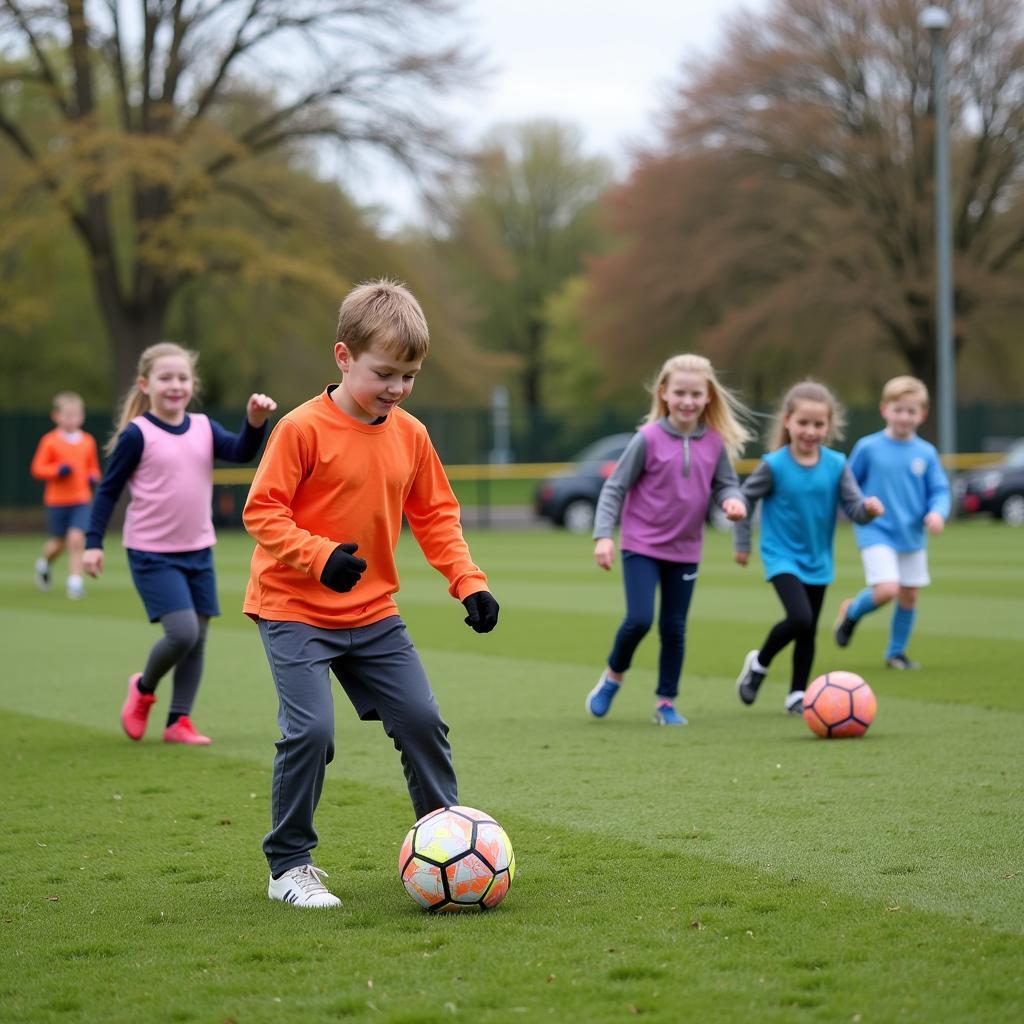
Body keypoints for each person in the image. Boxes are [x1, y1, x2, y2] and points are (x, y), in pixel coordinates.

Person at [242, 278, 500, 909]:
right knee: (311, 734)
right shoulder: (301, 429)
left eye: (409, 376)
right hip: (293, 608)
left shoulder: (409, 434)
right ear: (343, 357)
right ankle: (288, 866)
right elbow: (261, 510)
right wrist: (319, 555)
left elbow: (436, 516)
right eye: (384, 373)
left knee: (420, 721)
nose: (397, 388)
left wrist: (469, 583)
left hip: (374, 612)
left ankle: (446, 848)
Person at [83, 342, 276, 746]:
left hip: (198, 548)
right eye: (166, 378)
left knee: (198, 638)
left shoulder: (204, 427)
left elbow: (241, 451)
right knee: (183, 633)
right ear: (145, 384)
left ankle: (178, 722)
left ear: (193, 384)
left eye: (183, 378)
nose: (175, 385)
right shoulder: (138, 435)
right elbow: (108, 492)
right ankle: (144, 688)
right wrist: (92, 543)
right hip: (152, 553)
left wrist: (254, 422)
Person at [586, 353, 751, 726]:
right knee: (640, 619)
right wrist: (603, 537)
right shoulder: (647, 439)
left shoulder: (715, 442)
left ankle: (666, 702)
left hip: (686, 551)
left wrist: (733, 502)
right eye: (680, 392)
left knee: (674, 627)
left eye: (696, 393)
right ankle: (613, 677)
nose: (688, 401)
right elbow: (615, 488)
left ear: (708, 396)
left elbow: (727, 485)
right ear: (664, 393)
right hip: (641, 545)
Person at [733, 380, 884, 714]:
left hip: (818, 558)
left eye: (818, 424)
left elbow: (855, 507)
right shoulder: (773, 465)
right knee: (799, 617)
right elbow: (743, 501)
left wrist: (869, 511)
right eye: (803, 422)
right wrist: (742, 543)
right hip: (781, 555)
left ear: (829, 426)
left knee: (809, 629)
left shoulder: (836, 464)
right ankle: (759, 663)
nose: (810, 430)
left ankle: (797, 695)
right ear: (787, 421)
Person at [832, 376, 950, 669]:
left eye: (911, 411)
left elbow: (940, 491)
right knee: (887, 590)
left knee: (909, 595)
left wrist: (937, 512)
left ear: (922, 414)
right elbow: (848, 483)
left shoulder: (926, 453)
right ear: (885, 409)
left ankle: (895, 653)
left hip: (911, 534)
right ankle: (851, 612)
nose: (904, 417)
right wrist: (855, 507)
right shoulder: (868, 447)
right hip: (875, 530)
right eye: (898, 410)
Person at [30, 391, 100, 600]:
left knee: (76, 539)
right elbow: (37, 469)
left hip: (81, 498)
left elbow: (93, 467)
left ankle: (75, 583)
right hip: (57, 500)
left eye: (76, 415)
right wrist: (57, 470)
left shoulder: (87, 441)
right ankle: (44, 563)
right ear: (56, 416)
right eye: (67, 415)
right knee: (58, 543)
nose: (72, 419)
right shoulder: (50, 441)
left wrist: (93, 476)